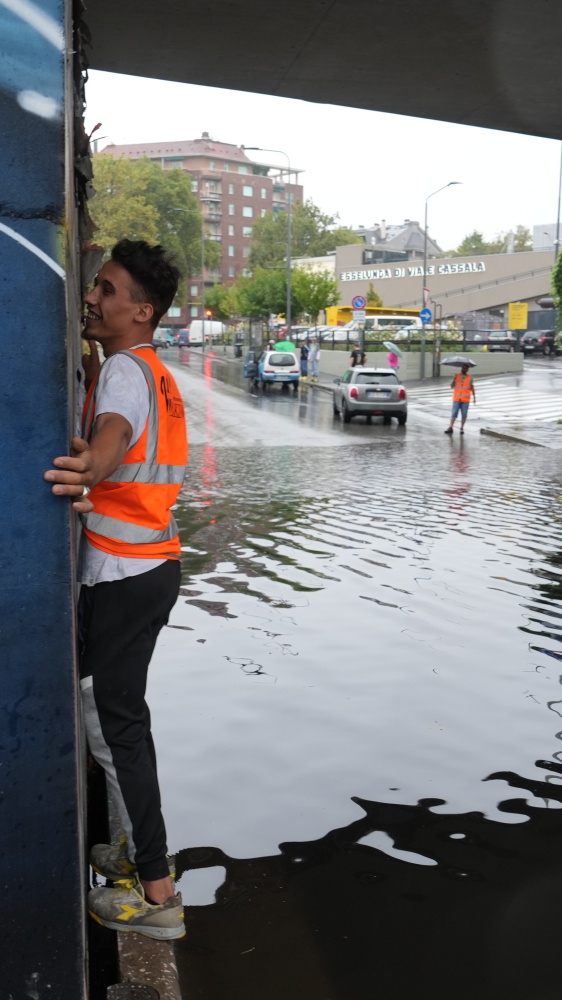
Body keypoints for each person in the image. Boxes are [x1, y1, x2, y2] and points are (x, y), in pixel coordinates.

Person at [44, 239, 188, 940]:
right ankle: (137, 854)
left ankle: (157, 894)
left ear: (143, 310)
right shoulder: (146, 366)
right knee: (122, 721)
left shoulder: (129, 377)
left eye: (105, 290)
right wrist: (93, 347)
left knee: (113, 725)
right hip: (148, 570)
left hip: (126, 575)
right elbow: (114, 396)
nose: (92, 299)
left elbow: (112, 433)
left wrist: (88, 469)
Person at [445, 363, 476, 435]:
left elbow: (472, 388)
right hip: (457, 399)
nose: (464, 369)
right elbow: (452, 386)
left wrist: (474, 397)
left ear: (467, 369)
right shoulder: (457, 376)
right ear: (461, 368)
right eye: (463, 368)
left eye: (465, 368)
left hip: (465, 400)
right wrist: (454, 379)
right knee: (454, 413)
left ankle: (462, 428)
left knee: (464, 414)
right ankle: (450, 427)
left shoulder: (470, 378)